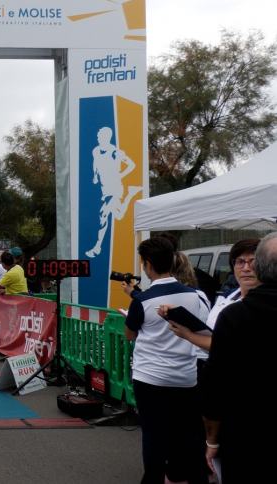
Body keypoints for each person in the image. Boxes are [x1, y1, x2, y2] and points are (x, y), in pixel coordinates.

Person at [123, 236, 210, 484]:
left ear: (148, 264)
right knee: (188, 434)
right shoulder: (198, 296)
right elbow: (204, 330)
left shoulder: (142, 300)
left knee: (153, 435)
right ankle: (183, 474)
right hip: (186, 376)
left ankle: (153, 478)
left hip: (149, 378)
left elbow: (130, 334)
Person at [202, 233, 277, 482]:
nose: (245, 268)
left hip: (245, 432)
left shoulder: (234, 316)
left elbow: (216, 383)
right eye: (239, 262)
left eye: (251, 261)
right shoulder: (227, 307)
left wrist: (211, 438)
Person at [85, 127, 143, 258]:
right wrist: (95, 176)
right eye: (98, 136)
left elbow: (132, 165)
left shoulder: (115, 152)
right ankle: (131, 194)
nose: (98, 138)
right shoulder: (95, 150)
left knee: (103, 215)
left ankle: (97, 247)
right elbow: (95, 163)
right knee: (119, 215)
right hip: (104, 189)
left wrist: (119, 176)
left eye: (100, 136)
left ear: (106, 137)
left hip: (115, 188)